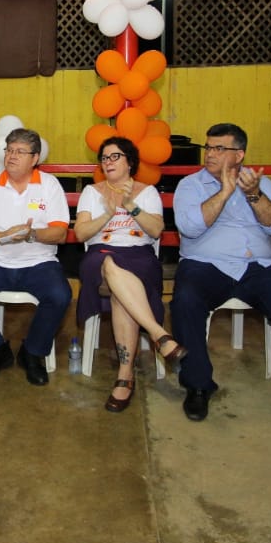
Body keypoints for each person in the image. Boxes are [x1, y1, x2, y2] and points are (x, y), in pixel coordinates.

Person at [171, 123, 271, 423]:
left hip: (257, 266)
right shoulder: (190, 185)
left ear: (239, 155)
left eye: (219, 148)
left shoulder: (261, 184)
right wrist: (225, 192)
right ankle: (197, 385)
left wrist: (253, 195)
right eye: (208, 147)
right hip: (204, 264)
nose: (210, 154)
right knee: (185, 301)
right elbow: (189, 227)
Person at [0, 127, 72, 386]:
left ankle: (32, 353)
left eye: (20, 152)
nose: (12, 156)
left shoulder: (49, 185)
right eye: (9, 150)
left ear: (35, 158)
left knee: (60, 295)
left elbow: (60, 234)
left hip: (40, 262)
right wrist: (2, 236)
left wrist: (31, 234)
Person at [75, 136, 186, 413]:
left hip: (139, 256)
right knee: (110, 263)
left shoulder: (147, 192)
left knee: (120, 291)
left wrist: (130, 205)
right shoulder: (91, 192)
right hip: (100, 254)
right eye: (104, 157)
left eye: (115, 156)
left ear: (129, 162)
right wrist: (107, 215)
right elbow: (81, 233)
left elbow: (156, 231)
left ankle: (125, 376)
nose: (108, 162)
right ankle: (160, 336)